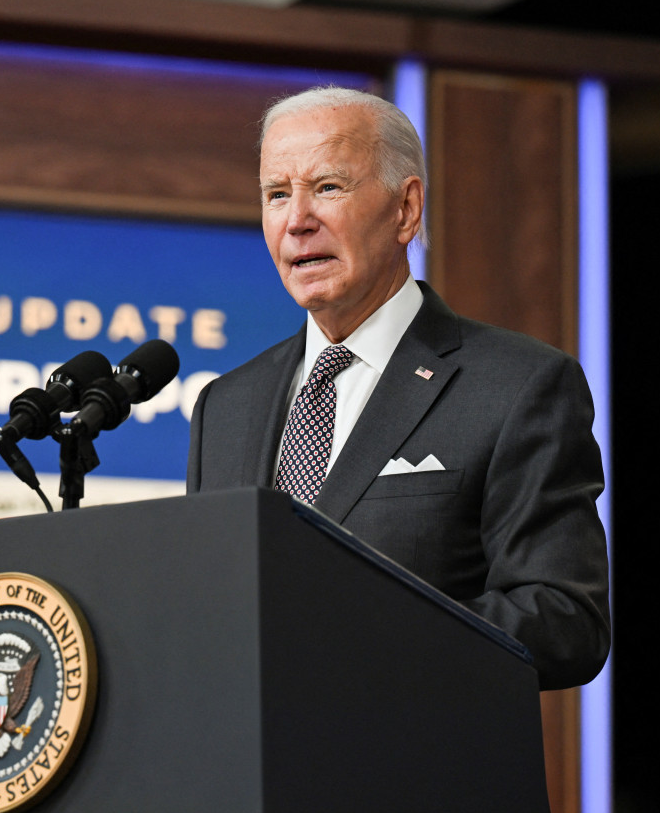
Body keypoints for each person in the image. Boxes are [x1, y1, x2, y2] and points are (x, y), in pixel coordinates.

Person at [186, 86, 609, 690]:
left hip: (413, 776)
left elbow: (566, 620)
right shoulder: (225, 407)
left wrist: (359, 631)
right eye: (277, 195)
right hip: (251, 779)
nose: (298, 220)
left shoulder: (517, 385)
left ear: (406, 209)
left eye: (327, 187)